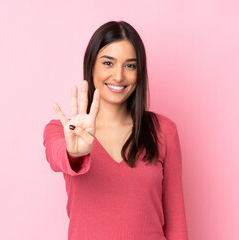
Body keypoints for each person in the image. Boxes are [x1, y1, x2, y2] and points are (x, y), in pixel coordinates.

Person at [43, 21, 188, 240]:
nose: (119, 76)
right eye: (108, 63)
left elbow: (176, 223)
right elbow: (57, 156)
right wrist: (75, 153)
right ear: (91, 65)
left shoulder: (164, 131)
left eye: (130, 65)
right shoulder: (63, 131)